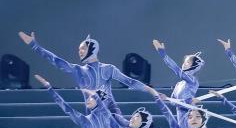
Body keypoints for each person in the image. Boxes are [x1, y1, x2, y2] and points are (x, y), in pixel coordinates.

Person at [19, 31, 151, 111]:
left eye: (82, 48)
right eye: (79, 49)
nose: (79, 52)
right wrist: (35, 46)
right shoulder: (78, 70)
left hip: (112, 114)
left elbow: (130, 82)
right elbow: (56, 61)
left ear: (93, 49)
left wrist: (151, 91)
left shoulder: (108, 69)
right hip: (92, 117)